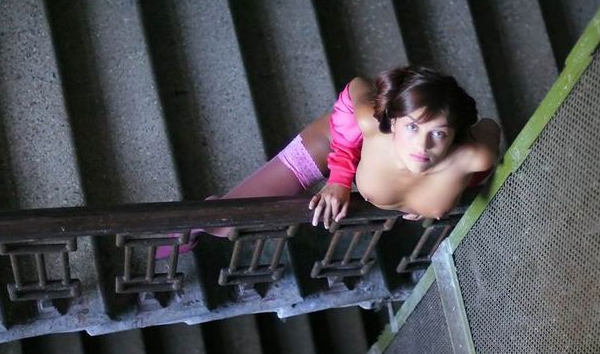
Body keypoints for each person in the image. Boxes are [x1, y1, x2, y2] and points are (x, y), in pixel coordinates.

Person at [156, 65, 500, 258]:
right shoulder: (371, 125)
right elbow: (356, 87)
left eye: (439, 133)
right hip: (335, 143)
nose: (422, 145)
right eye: (412, 127)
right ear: (393, 122)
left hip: (403, 162)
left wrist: (454, 187)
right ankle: (203, 217)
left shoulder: (473, 156)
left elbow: (488, 128)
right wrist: (338, 177)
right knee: (231, 219)